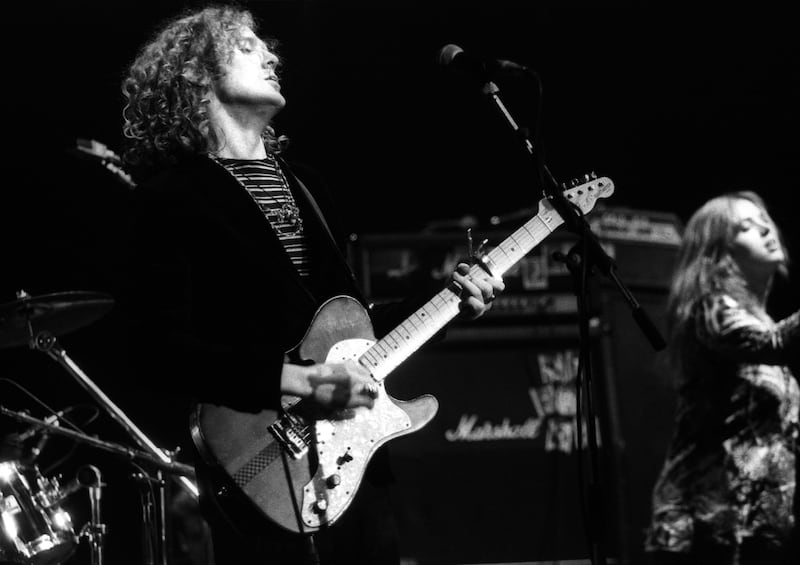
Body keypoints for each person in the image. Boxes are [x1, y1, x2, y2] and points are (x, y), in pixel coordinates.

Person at [120, 5, 504, 564]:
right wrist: (296, 380)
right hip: (258, 469)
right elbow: (155, 352)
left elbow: (354, 334)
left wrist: (448, 302)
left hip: (355, 470)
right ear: (196, 75)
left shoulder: (308, 186)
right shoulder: (169, 199)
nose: (270, 54)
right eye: (247, 46)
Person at [645, 190, 799, 564]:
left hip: (754, 528)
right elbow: (772, 343)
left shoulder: (761, 320)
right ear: (717, 254)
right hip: (703, 530)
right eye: (746, 226)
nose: (766, 228)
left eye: (765, 220)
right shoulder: (710, 308)